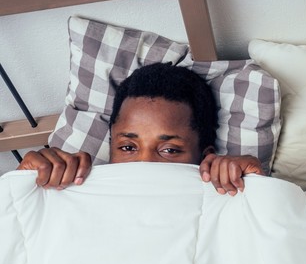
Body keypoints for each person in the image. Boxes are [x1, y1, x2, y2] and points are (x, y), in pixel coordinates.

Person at [16, 62, 264, 195]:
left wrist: (257, 189)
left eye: (169, 150)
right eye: (127, 147)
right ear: (111, 147)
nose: (144, 163)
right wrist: (20, 185)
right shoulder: (69, 191)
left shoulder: (225, 197)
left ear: (206, 157)